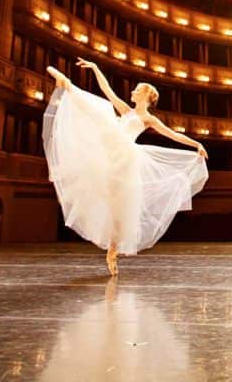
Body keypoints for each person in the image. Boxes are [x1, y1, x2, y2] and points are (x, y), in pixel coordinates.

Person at [44, 58, 208, 275]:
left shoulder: (148, 118)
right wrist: (95, 67)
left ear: (147, 96)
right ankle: (69, 86)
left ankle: (112, 250)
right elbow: (107, 90)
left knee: (118, 210)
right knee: (101, 110)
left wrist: (196, 144)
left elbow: (172, 134)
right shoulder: (125, 111)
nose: (133, 91)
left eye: (137, 90)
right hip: (109, 151)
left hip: (125, 160)